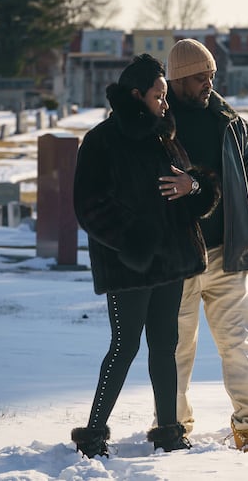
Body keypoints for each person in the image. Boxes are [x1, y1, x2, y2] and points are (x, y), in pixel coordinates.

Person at [70, 53, 219, 458]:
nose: (165, 103)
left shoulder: (163, 136)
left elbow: (188, 189)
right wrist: (135, 241)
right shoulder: (101, 140)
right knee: (125, 345)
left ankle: (169, 430)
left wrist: (196, 188)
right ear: (137, 95)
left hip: (170, 262)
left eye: (166, 96)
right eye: (159, 95)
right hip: (129, 266)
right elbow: (89, 206)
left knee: (165, 344)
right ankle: (95, 432)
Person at [166, 38, 248, 451]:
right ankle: (173, 428)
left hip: (227, 253)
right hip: (176, 257)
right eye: (198, 77)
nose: (208, 83)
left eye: (211, 75)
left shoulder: (230, 121)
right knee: (175, 351)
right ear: (176, 80)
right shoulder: (159, 124)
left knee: (241, 345)